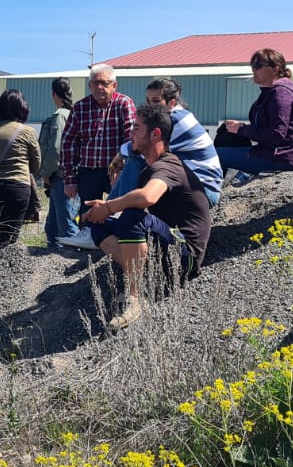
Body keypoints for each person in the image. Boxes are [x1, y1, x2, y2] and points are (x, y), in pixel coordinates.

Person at [82, 102, 212, 330]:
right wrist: (105, 210)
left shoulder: (168, 165)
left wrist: (110, 205)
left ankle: (135, 298)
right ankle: (152, 275)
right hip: (167, 248)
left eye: (137, 128)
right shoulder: (149, 169)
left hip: (185, 255)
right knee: (100, 226)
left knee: (131, 218)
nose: (131, 133)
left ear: (155, 134)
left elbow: (148, 197)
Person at [108, 78, 223, 206]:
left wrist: (119, 155)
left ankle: (115, 211)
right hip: (192, 183)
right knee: (140, 161)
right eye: (148, 101)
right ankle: (113, 210)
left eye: (156, 101)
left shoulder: (176, 121)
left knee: (137, 158)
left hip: (203, 189)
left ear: (171, 103)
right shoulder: (177, 116)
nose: (150, 106)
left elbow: (142, 147)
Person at [217, 48, 293, 180]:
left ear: (275, 69)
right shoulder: (270, 92)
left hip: (284, 158)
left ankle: (210, 196)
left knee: (212, 156)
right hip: (277, 155)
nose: (253, 70)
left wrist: (242, 129)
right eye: (252, 66)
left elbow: (276, 135)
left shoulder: (281, 93)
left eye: (258, 66)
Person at [60, 64, 136, 206]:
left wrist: (124, 167)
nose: (99, 87)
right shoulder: (80, 107)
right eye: (95, 83)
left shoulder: (124, 104)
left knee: (120, 213)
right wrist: (69, 179)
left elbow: (131, 138)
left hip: (115, 170)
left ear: (114, 85)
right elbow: (68, 143)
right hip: (88, 172)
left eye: (104, 83)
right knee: (88, 216)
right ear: (90, 85)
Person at [0, 89, 42, 253]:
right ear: (22, 108)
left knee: (0, 232)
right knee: (12, 235)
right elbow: (36, 163)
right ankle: (4, 271)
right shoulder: (27, 131)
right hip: (18, 188)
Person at [38, 77, 80, 249]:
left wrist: (46, 173)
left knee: (65, 226)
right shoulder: (75, 115)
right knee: (53, 227)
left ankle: (76, 260)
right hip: (71, 176)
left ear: (54, 94)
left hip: (60, 177)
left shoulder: (59, 118)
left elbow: (56, 149)